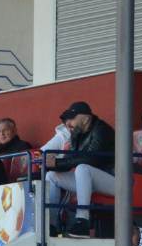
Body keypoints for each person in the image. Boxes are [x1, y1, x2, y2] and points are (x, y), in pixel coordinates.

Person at [43, 101, 115, 236]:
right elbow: (72, 160)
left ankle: (83, 221)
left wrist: (57, 163)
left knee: (82, 168)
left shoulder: (102, 130)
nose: (68, 123)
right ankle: (51, 225)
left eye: (72, 118)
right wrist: (52, 163)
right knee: (51, 176)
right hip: (90, 180)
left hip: (115, 180)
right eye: (67, 119)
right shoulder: (78, 134)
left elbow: (91, 159)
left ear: (87, 118)